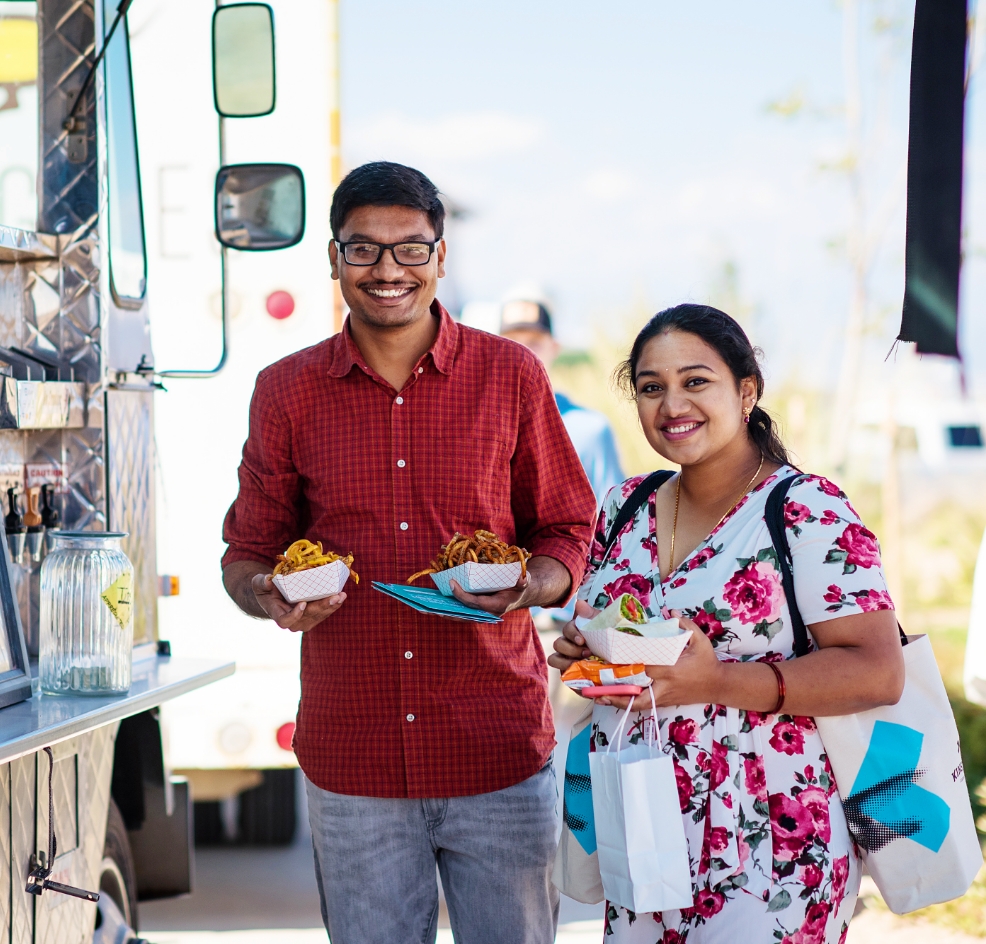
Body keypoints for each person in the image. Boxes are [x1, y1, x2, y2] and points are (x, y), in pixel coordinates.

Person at [221, 161, 597, 944]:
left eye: (410, 249)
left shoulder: (510, 376)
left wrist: (529, 586)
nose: (387, 270)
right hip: (354, 758)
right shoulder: (286, 391)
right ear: (333, 259)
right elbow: (247, 553)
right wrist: (271, 595)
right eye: (362, 250)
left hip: (497, 750)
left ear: (441, 256)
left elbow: (567, 526)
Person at [549, 304, 904, 944]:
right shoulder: (624, 506)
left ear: (746, 390)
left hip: (770, 842)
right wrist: (586, 651)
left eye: (695, 381)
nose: (671, 403)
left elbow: (878, 670)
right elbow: (617, 635)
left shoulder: (804, 508)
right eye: (651, 387)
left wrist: (714, 682)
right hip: (642, 828)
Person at [499, 298, 623, 628]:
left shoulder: (590, 428)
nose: (524, 351)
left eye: (535, 342)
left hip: (562, 616)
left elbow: (611, 527)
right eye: (513, 340)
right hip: (492, 614)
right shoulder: (479, 427)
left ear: (554, 347)